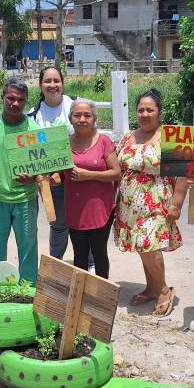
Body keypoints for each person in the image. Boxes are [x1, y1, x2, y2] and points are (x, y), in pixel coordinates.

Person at [114, 89, 188, 316]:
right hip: (128, 205)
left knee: (148, 245)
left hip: (156, 202)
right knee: (140, 246)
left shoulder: (168, 137)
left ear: (159, 113)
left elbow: (184, 172)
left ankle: (164, 290)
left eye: (150, 110)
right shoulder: (128, 136)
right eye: (141, 110)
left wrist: (177, 203)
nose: (145, 114)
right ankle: (151, 287)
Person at [0, 78, 41, 283]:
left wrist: (34, 177)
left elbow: (43, 165)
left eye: (21, 100)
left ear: (26, 102)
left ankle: (29, 289)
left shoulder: (34, 128)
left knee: (28, 246)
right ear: (2, 98)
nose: (15, 103)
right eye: (11, 98)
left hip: (26, 199)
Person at [64, 99, 121, 279]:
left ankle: (102, 297)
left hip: (100, 209)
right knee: (79, 254)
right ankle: (80, 296)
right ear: (70, 118)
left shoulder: (103, 141)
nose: (82, 119)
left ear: (94, 118)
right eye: (77, 115)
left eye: (87, 115)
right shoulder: (63, 144)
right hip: (75, 208)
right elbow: (57, 175)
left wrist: (88, 175)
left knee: (99, 252)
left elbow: (116, 173)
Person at [28, 66, 73, 260]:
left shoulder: (76, 107)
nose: (52, 85)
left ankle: (88, 264)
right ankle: (56, 263)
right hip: (51, 180)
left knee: (84, 222)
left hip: (79, 175)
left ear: (63, 83)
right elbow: (31, 153)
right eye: (47, 81)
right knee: (58, 224)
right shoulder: (33, 115)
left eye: (56, 80)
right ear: (40, 85)